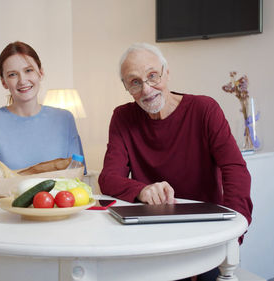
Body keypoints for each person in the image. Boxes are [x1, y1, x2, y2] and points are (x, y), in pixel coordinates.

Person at [98, 43, 252, 281]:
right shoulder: (122, 117)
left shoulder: (205, 109)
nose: (147, 89)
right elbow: (108, 179)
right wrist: (142, 190)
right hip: (151, 237)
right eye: (135, 82)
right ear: (126, 87)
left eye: (152, 76)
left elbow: (235, 170)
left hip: (205, 234)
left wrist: (233, 233)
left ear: (166, 72)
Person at [0, 41, 85, 182]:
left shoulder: (65, 119)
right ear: (3, 82)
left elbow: (77, 176)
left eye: (28, 70)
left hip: (58, 203)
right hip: (2, 204)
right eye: (13, 74)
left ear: (40, 73)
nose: (22, 80)